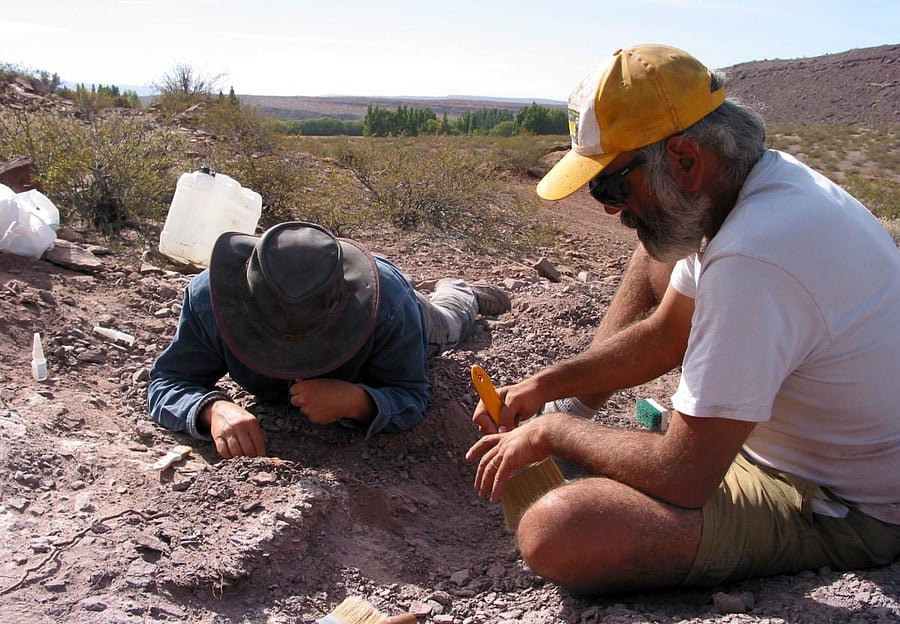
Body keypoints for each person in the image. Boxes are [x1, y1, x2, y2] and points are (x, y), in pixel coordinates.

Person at [466, 44, 900, 595]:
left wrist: (555, 432)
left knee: (560, 530)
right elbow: (663, 336)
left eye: (613, 186)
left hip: (844, 502)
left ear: (686, 159)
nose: (609, 207)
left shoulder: (754, 257)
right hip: (771, 448)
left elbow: (685, 475)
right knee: (654, 251)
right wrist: (544, 387)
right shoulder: (752, 187)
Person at [149, 220, 510, 459]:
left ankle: (463, 291)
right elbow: (167, 381)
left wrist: (359, 401)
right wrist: (213, 409)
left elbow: (410, 394)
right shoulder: (209, 300)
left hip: (390, 294)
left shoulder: (388, 306)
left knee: (449, 323)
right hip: (350, 281)